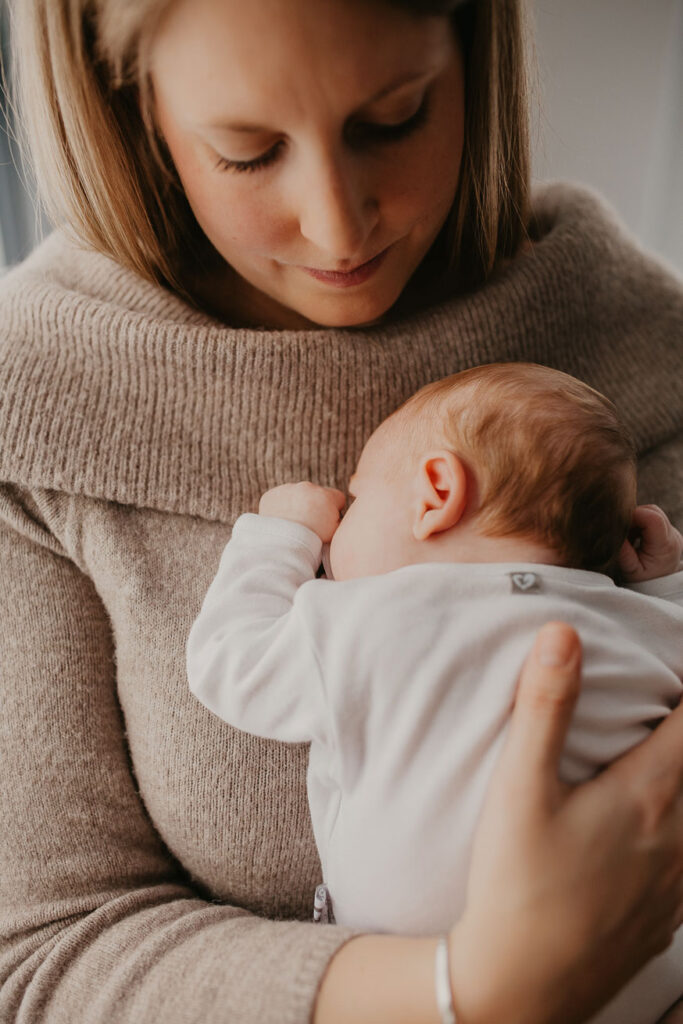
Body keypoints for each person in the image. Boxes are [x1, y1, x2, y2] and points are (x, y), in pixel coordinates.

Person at [1, 0, 682, 1022]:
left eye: (392, 119)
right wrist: (477, 990)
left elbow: (238, 653)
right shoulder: (37, 404)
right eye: (245, 151)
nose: (337, 224)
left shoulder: (641, 339)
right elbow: (47, 952)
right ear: (128, 109)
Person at [186, 362, 683, 1023]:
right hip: (643, 974)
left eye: (356, 501)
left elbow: (229, 662)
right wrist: (662, 583)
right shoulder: (633, 620)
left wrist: (280, 534)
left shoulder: (364, 618)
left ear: (436, 493)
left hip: (418, 977)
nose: (338, 531)